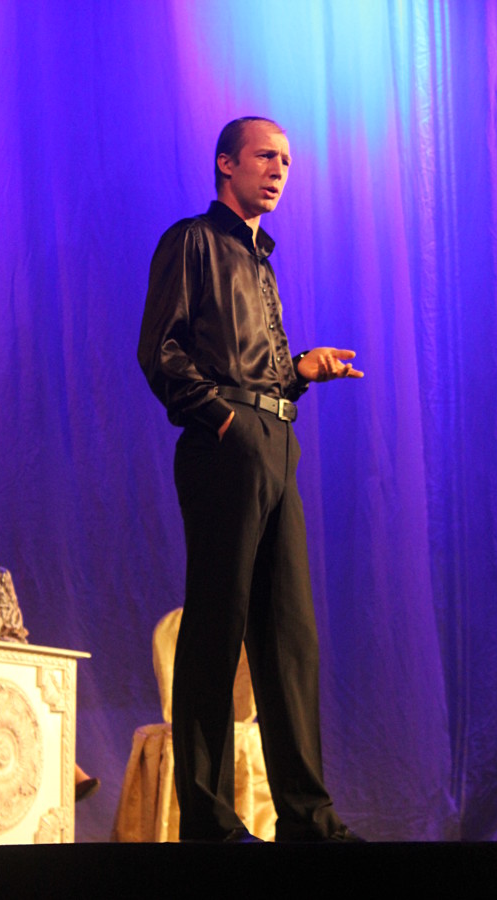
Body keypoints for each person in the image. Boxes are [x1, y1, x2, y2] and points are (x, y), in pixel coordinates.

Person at [138, 117, 364, 843]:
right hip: (226, 443)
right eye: (266, 156)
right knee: (217, 626)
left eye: (287, 162)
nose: (279, 170)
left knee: (289, 634)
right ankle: (208, 821)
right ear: (226, 164)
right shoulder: (192, 241)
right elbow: (161, 351)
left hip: (275, 439)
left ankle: (307, 818)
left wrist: (299, 371)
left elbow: (257, 369)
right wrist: (221, 419)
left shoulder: (263, 261)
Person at [0, 502, 100, 802]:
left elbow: (16, 632)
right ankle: (68, 771)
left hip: (1, 659)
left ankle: (60, 773)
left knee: (36, 691)